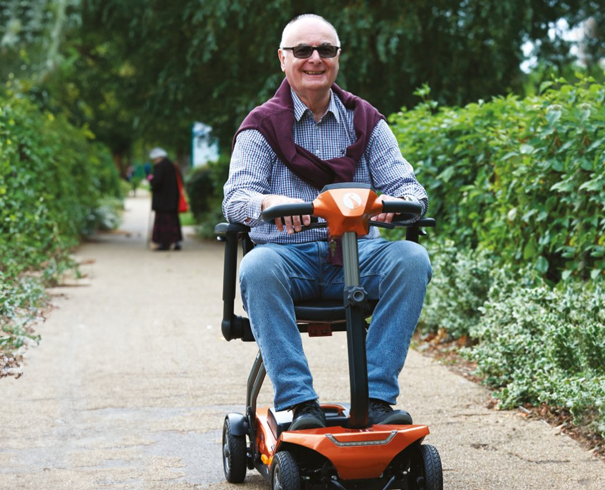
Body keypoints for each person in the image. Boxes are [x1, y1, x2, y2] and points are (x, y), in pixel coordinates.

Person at [223, 14, 432, 431]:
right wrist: (269, 201)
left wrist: (392, 204)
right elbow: (235, 200)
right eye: (302, 51)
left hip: (358, 254)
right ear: (283, 59)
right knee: (257, 266)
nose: (314, 59)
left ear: (338, 57)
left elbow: (412, 192)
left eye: (325, 50)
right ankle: (300, 404)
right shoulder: (261, 126)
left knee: (411, 258)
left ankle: (376, 397)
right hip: (287, 258)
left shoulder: (366, 120)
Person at [148, 147, 183, 251]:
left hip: (162, 201)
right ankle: (177, 242)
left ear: (158, 158)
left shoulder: (159, 167)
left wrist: (150, 179)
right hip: (172, 200)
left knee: (163, 222)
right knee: (173, 221)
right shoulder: (172, 165)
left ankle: (164, 244)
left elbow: (156, 182)